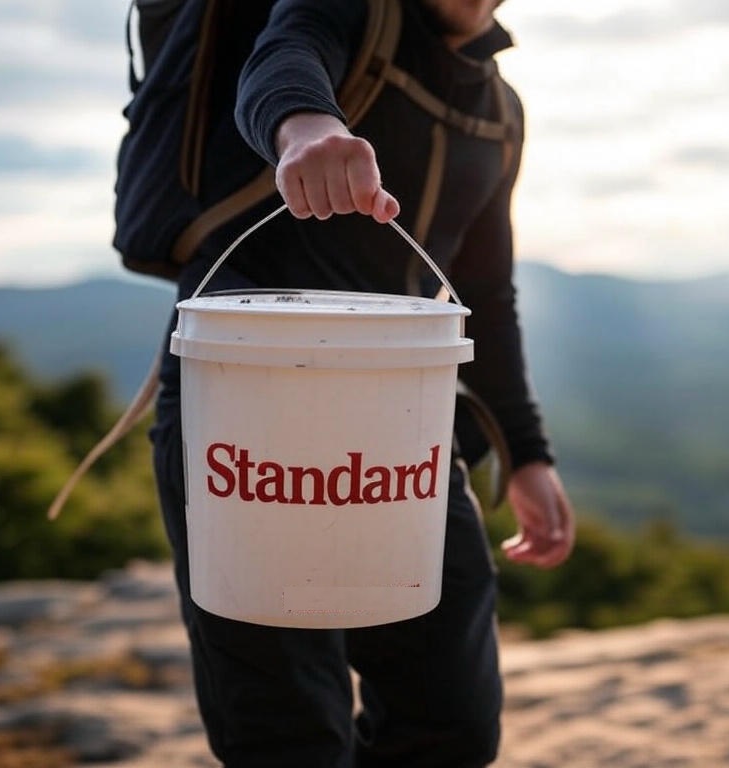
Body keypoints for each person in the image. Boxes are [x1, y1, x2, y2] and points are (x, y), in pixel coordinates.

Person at [141, 0, 575, 764]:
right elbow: (285, 50)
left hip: (400, 424)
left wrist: (528, 455)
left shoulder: (500, 108)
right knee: (286, 733)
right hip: (245, 410)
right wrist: (306, 126)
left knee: (452, 722)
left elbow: (485, 291)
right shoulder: (350, 10)